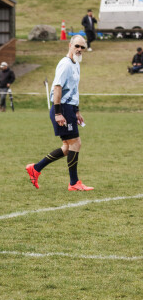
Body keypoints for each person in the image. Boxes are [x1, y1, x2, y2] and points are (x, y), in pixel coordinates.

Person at [25, 35, 93, 191]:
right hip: (62, 108)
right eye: (77, 46)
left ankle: (35, 168)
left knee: (67, 147)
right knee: (75, 143)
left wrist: (76, 111)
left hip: (69, 108)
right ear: (70, 45)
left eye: (82, 47)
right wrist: (58, 113)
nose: (79, 49)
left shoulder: (76, 64)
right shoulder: (65, 64)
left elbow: (74, 90)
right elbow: (57, 87)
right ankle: (74, 183)